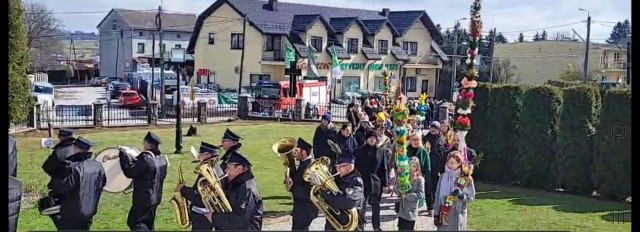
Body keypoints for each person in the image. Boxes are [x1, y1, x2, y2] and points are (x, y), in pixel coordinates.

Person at [51, 137, 107, 230]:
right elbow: (103, 183)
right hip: (90, 210)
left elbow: (62, 188)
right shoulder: (98, 166)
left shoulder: (74, 167)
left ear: (75, 148)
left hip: (72, 212)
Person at [119, 131, 168, 230]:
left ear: (148, 145)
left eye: (144, 142)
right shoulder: (162, 160)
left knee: (135, 222)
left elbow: (131, 172)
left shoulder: (146, 159)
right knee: (149, 223)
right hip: (156, 198)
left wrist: (123, 155)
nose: (143, 144)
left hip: (144, 199)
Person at [309, 150, 365, 231]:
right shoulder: (339, 179)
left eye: (340, 166)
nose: (337, 169)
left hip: (351, 227)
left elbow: (347, 201)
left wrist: (325, 193)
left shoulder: (356, 182)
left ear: (349, 167)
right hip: (334, 225)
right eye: (336, 166)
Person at [209, 151, 263, 230]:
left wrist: (214, 217)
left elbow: (240, 218)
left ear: (239, 169)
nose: (226, 171)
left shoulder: (248, 189)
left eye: (228, 167)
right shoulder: (235, 184)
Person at [177, 142, 223, 231]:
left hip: (202, 215)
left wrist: (183, 190)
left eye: (201, 153)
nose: (199, 156)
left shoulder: (208, 172)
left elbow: (200, 197)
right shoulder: (217, 168)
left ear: (209, 155)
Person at [40, 128, 77, 228]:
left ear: (62, 138)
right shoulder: (80, 149)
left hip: (62, 189)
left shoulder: (59, 152)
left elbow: (47, 167)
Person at [354, 130, 390, 231]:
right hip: (362, 182)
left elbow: (384, 168)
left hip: (376, 182)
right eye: (370, 138)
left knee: (376, 206)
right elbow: (355, 168)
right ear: (366, 139)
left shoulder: (380, 151)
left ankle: (376, 226)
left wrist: (386, 183)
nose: (372, 139)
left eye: (374, 138)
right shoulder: (358, 151)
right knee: (361, 206)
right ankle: (360, 225)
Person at [434, 151, 476, 231]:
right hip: (444, 213)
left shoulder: (466, 178)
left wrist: (462, 196)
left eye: (453, 163)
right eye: (449, 162)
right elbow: (437, 195)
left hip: (458, 215)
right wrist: (436, 214)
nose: (450, 165)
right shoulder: (443, 177)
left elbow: (471, 197)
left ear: (459, 163)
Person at [285, 138, 318, 231]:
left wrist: (293, 187)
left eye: (297, 150)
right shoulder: (304, 163)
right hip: (302, 208)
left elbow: (311, 192)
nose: (294, 153)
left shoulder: (310, 168)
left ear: (303, 152)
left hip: (305, 210)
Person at [422, 121, 446, 217]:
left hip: (438, 167)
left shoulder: (442, 138)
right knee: (428, 186)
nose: (433, 129)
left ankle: (436, 205)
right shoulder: (425, 138)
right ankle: (430, 206)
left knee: (437, 187)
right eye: (432, 127)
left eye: (435, 128)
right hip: (428, 166)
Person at [395, 157, 426, 231]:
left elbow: (421, 194)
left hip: (411, 210)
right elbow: (396, 188)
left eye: (414, 166)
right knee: (401, 228)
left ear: (417, 167)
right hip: (402, 208)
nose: (411, 168)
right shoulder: (403, 176)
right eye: (410, 165)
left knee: (409, 228)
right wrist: (399, 190)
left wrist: (407, 196)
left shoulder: (420, 179)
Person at [406, 132, 431, 214]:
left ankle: (426, 207)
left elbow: (427, 164)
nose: (415, 141)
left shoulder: (423, 151)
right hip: (408, 176)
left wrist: (427, 176)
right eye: (414, 139)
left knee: (419, 194)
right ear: (410, 140)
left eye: (417, 139)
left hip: (420, 176)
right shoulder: (406, 149)